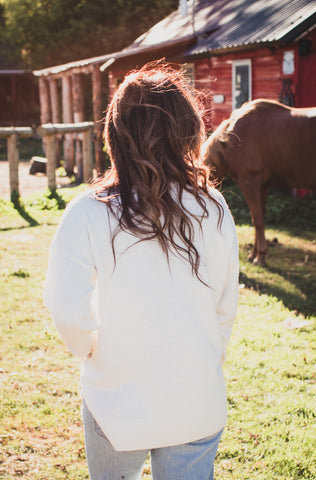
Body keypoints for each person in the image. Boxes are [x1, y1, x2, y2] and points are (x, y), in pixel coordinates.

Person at [44, 63, 239, 480]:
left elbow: (66, 307)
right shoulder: (215, 207)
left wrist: (92, 351)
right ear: (189, 130)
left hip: (116, 401)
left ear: (116, 133)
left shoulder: (87, 212)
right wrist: (203, 354)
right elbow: (226, 305)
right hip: (195, 398)